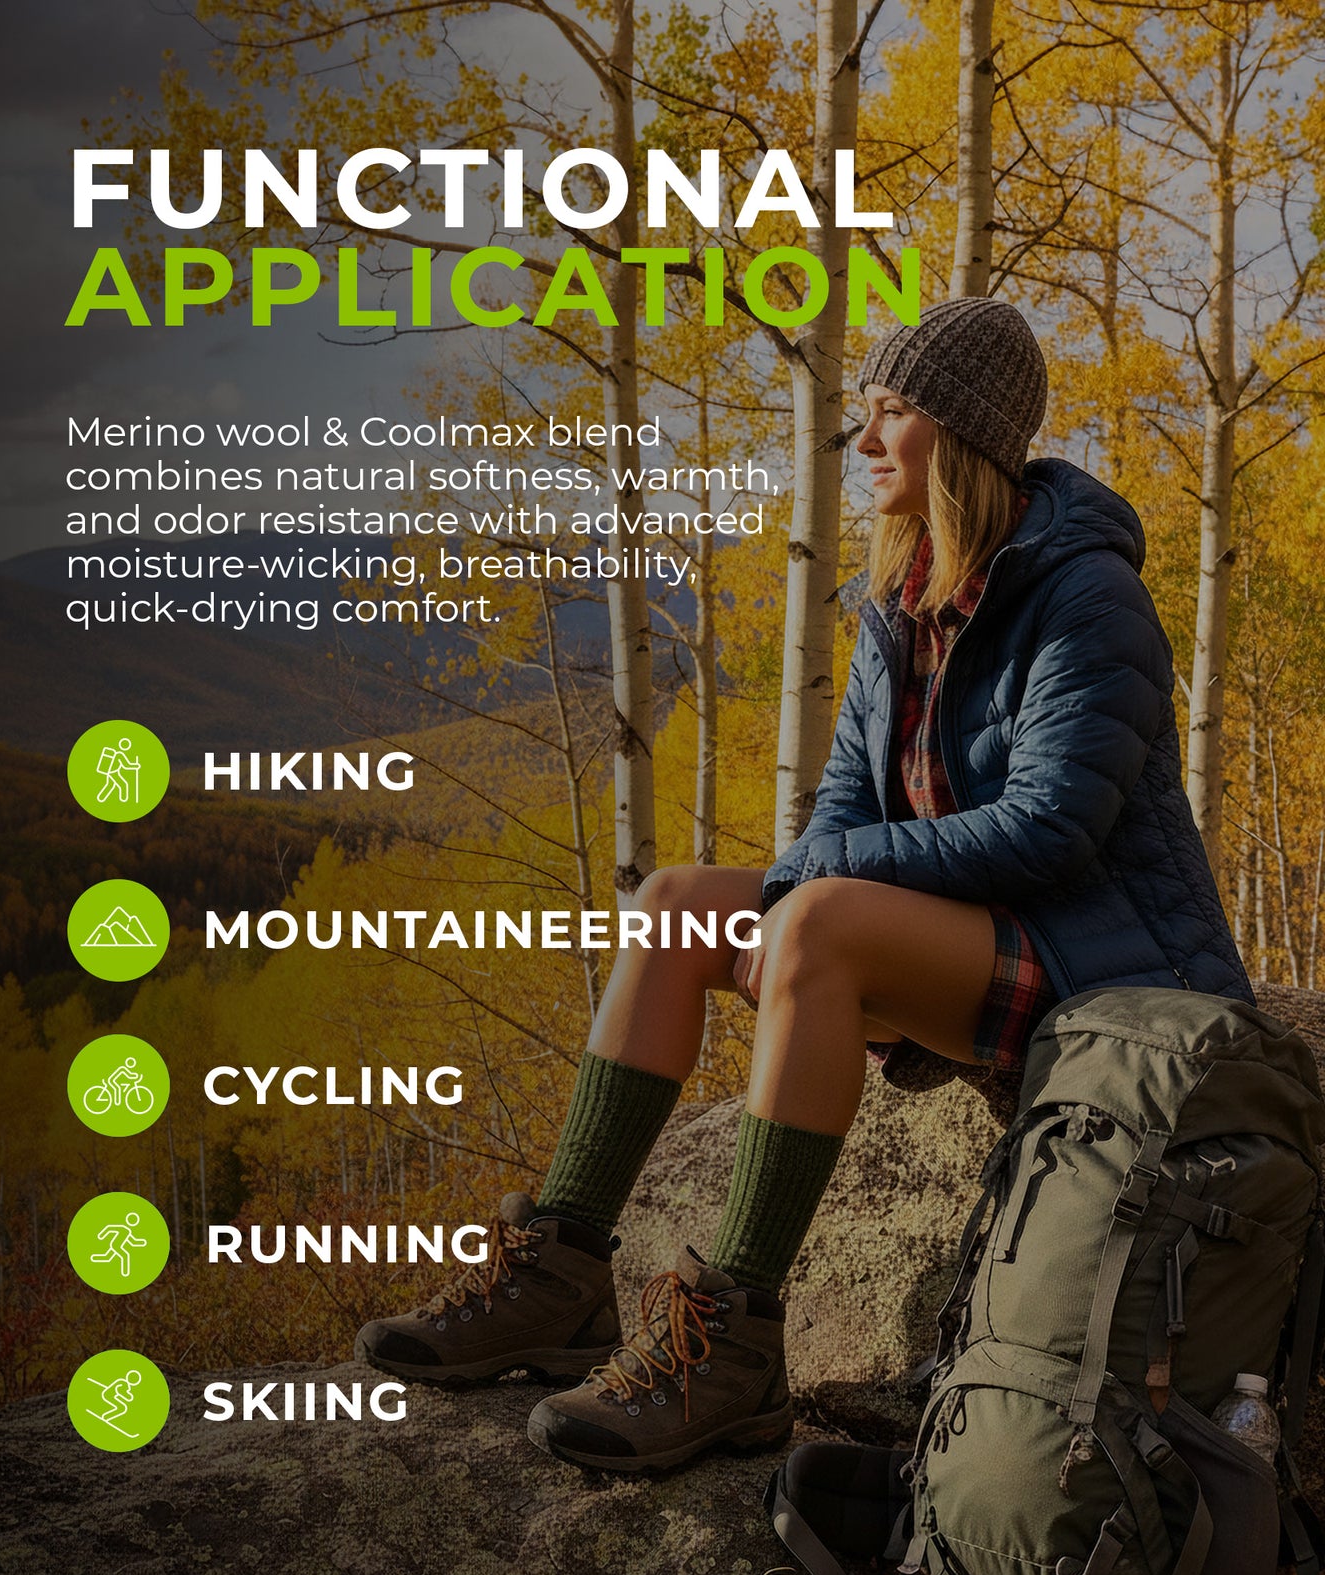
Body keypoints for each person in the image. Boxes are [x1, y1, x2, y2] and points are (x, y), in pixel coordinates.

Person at [354, 298, 1252, 1473]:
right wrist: (796, 883)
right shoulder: (902, 601)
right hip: (980, 933)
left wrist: (808, 895)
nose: (863, 439)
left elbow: (1048, 833)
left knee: (817, 916)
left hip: (1111, 969)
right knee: (675, 901)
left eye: (893, 412)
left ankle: (730, 1343)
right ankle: (559, 1275)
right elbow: (839, 808)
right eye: (862, 412)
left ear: (964, 436)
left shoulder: (1086, 595)